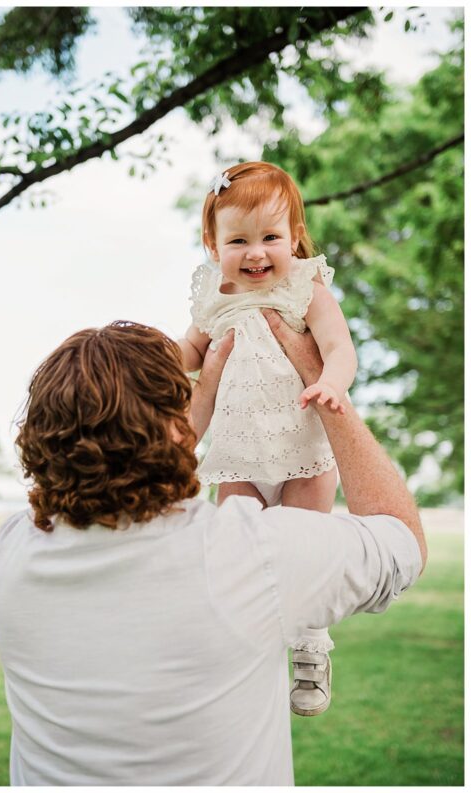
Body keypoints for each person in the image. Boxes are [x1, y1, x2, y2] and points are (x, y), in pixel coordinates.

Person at [0, 317, 425, 786]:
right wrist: (322, 383)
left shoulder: (14, 549)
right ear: (177, 431)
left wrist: (192, 402)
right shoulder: (251, 554)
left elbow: (122, 469)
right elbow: (401, 537)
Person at [176, 161, 358, 715]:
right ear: (213, 245)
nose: (256, 253)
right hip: (237, 456)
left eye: (271, 238)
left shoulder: (307, 288)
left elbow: (340, 348)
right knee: (237, 557)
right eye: (238, 240)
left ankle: (310, 650)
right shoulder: (214, 299)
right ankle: (244, 654)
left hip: (303, 453)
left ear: (295, 237)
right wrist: (153, 357)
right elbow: (184, 355)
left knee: (306, 552)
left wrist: (330, 382)